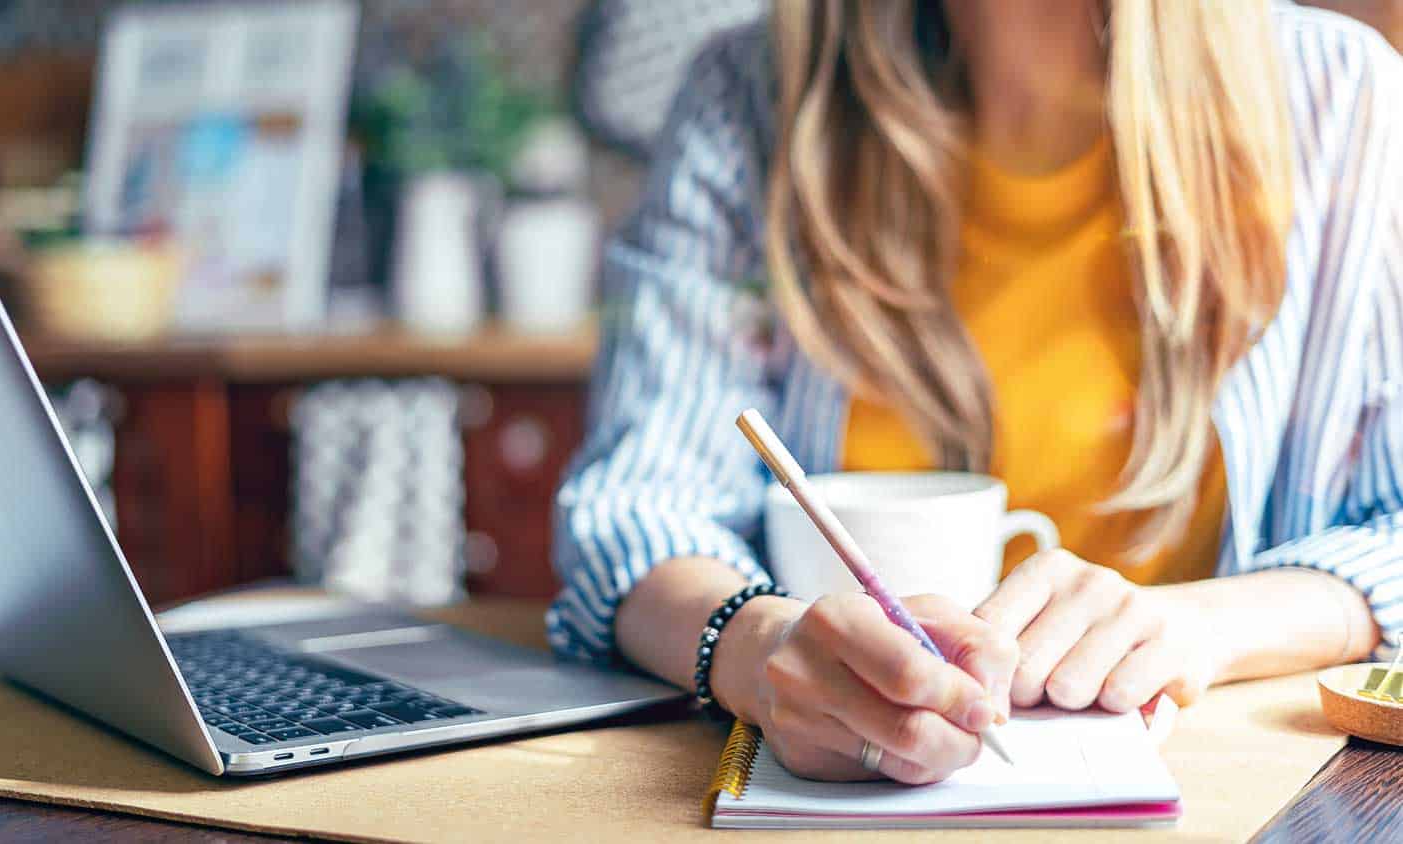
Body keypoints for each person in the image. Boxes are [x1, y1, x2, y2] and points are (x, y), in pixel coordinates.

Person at [550, 0, 1403, 786]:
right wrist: (754, 646)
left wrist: (1197, 627)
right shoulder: (747, 97)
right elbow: (636, 510)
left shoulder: (1342, 96)